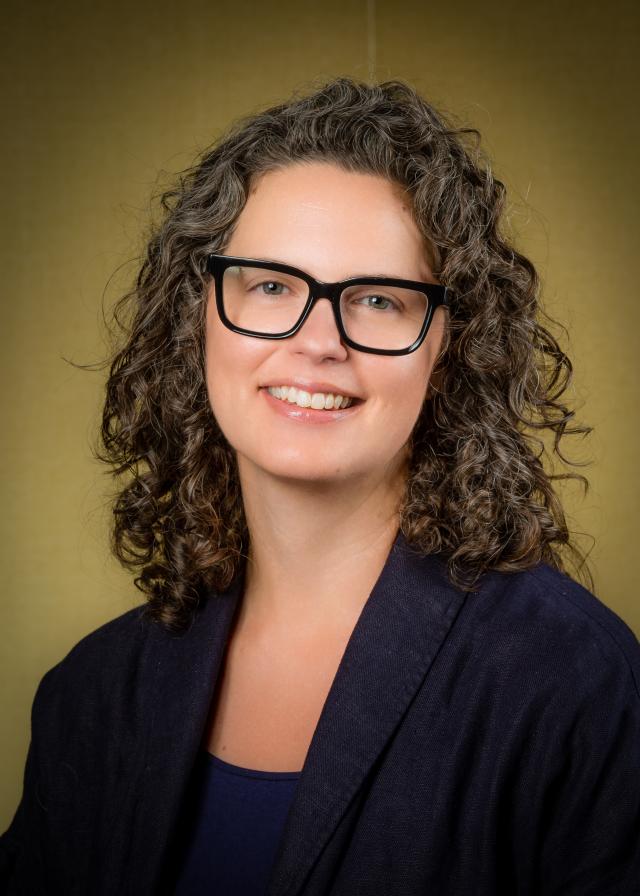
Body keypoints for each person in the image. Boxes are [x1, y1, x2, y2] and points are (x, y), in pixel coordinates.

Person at [1, 76, 639, 895]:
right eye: (270, 285)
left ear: (447, 346)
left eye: (376, 299)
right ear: (200, 317)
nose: (318, 342)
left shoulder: (569, 682)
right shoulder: (91, 698)